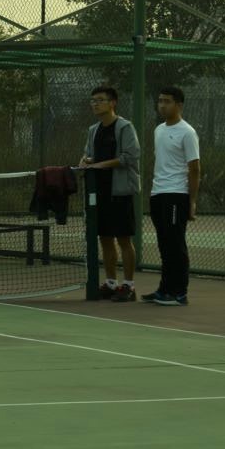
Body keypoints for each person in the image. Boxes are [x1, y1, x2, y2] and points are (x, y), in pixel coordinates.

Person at [79, 86, 142, 301]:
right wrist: (85, 161)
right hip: (99, 193)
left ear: (112, 103)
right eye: (93, 100)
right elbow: (88, 155)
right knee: (105, 239)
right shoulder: (93, 130)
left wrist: (100, 165)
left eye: (100, 100)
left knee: (124, 239)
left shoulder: (125, 127)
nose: (95, 104)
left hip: (120, 192)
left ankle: (129, 286)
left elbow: (129, 157)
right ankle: (111, 283)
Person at [144, 86, 200, 306]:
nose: (162, 105)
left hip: (177, 195)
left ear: (179, 105)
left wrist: (191, 201)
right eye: (160, 101)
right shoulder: (158, 130)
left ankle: (179, 293)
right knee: (164, 244)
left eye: (167, 101)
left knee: (176, 244)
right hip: (158, 193)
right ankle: (164, 289)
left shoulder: (188, 132)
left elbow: (194, 169)